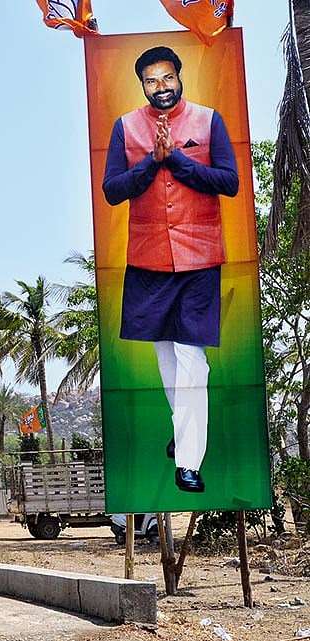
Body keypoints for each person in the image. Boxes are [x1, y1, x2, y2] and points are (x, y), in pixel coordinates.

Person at [102, 46, 239, 494]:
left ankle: (189, 463)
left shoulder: (208, 120)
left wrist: (175, 159)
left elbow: (229, 182)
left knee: (191, 360)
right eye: (151, 80)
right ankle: (184, 433)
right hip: (148, 258)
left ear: (180, 77)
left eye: (167, 78)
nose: (161, 87)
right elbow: (112, 190)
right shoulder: (124, 126)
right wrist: (150, 162)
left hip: (199, 257)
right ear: (142, 84)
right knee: (165, 358)